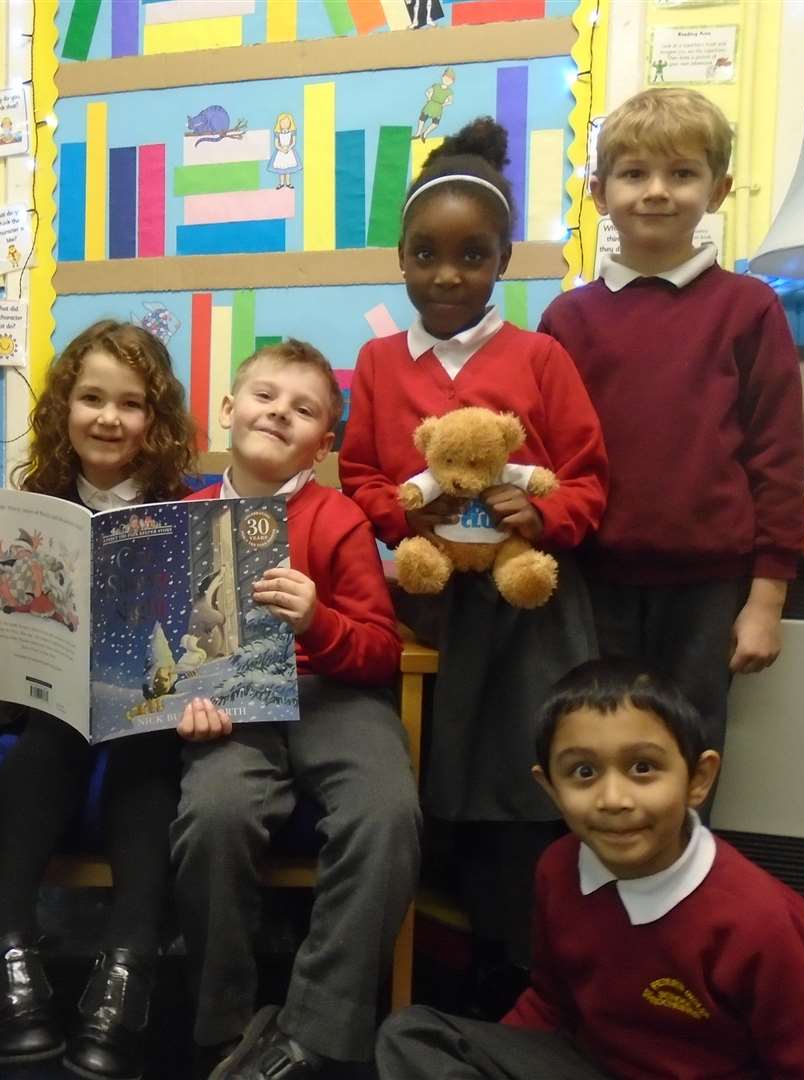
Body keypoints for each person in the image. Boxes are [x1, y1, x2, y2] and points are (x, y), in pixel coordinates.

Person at [339, 118, 608, 994]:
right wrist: (408, 519)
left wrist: (537, 514)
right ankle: (433, 965)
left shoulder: (542, 357)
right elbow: (361, 475)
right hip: (429, 605)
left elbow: (589, 483)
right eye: (425, 255)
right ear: (402, 259)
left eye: (472, 256)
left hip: (528, 612)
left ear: (503, 260)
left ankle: (518, 971)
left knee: (521, 788)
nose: (446, 276)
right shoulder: (379, 362)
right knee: (431, 775)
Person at [376, 659, 804, 1079]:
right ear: (550, 789)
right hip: (591, 1064)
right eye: (583, 772)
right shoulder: (557, 869)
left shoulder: (762, 921)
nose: (613, 800)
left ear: (698, 779)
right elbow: (549, 1002)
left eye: (643, 768)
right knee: (412, 1036)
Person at [536, 87, 804, 787]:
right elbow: (544, 457)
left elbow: (776, 456)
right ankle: (594, 897)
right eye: (634, 174)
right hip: (591, 585)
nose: (656, 192)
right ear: (599, 192)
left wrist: (766, 601)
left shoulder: (749, 309)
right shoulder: (566, 320)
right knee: (594, 752)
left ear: (717, 189)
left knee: (685, 756)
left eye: (681, 174)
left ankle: (681, 898)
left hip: (708, 588)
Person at [173, 340, 421, 1080]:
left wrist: (319, 622)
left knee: (386, 812)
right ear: (228, 410)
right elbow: (166, 654)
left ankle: (316, 1031)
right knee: (214, 814)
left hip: (332, 695)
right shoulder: (180, 517)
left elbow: (379, 651)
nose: (279, 412)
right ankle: (223, 1027)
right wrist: (185, 703)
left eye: (303, 409)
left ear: (323, 444)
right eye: (264, 396)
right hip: (231, 704)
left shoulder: (337, 518)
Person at [0, 319, 196, 1080]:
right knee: (52, 738)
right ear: (64, 406)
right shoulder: (30, 504)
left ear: (155, 420)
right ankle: (4, 942)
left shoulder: (183, 508)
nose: (108, 417)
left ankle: (128, 959)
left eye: (130, 404)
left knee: (136, 744)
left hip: (149, 718)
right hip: (46, 710)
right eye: (91, 397)